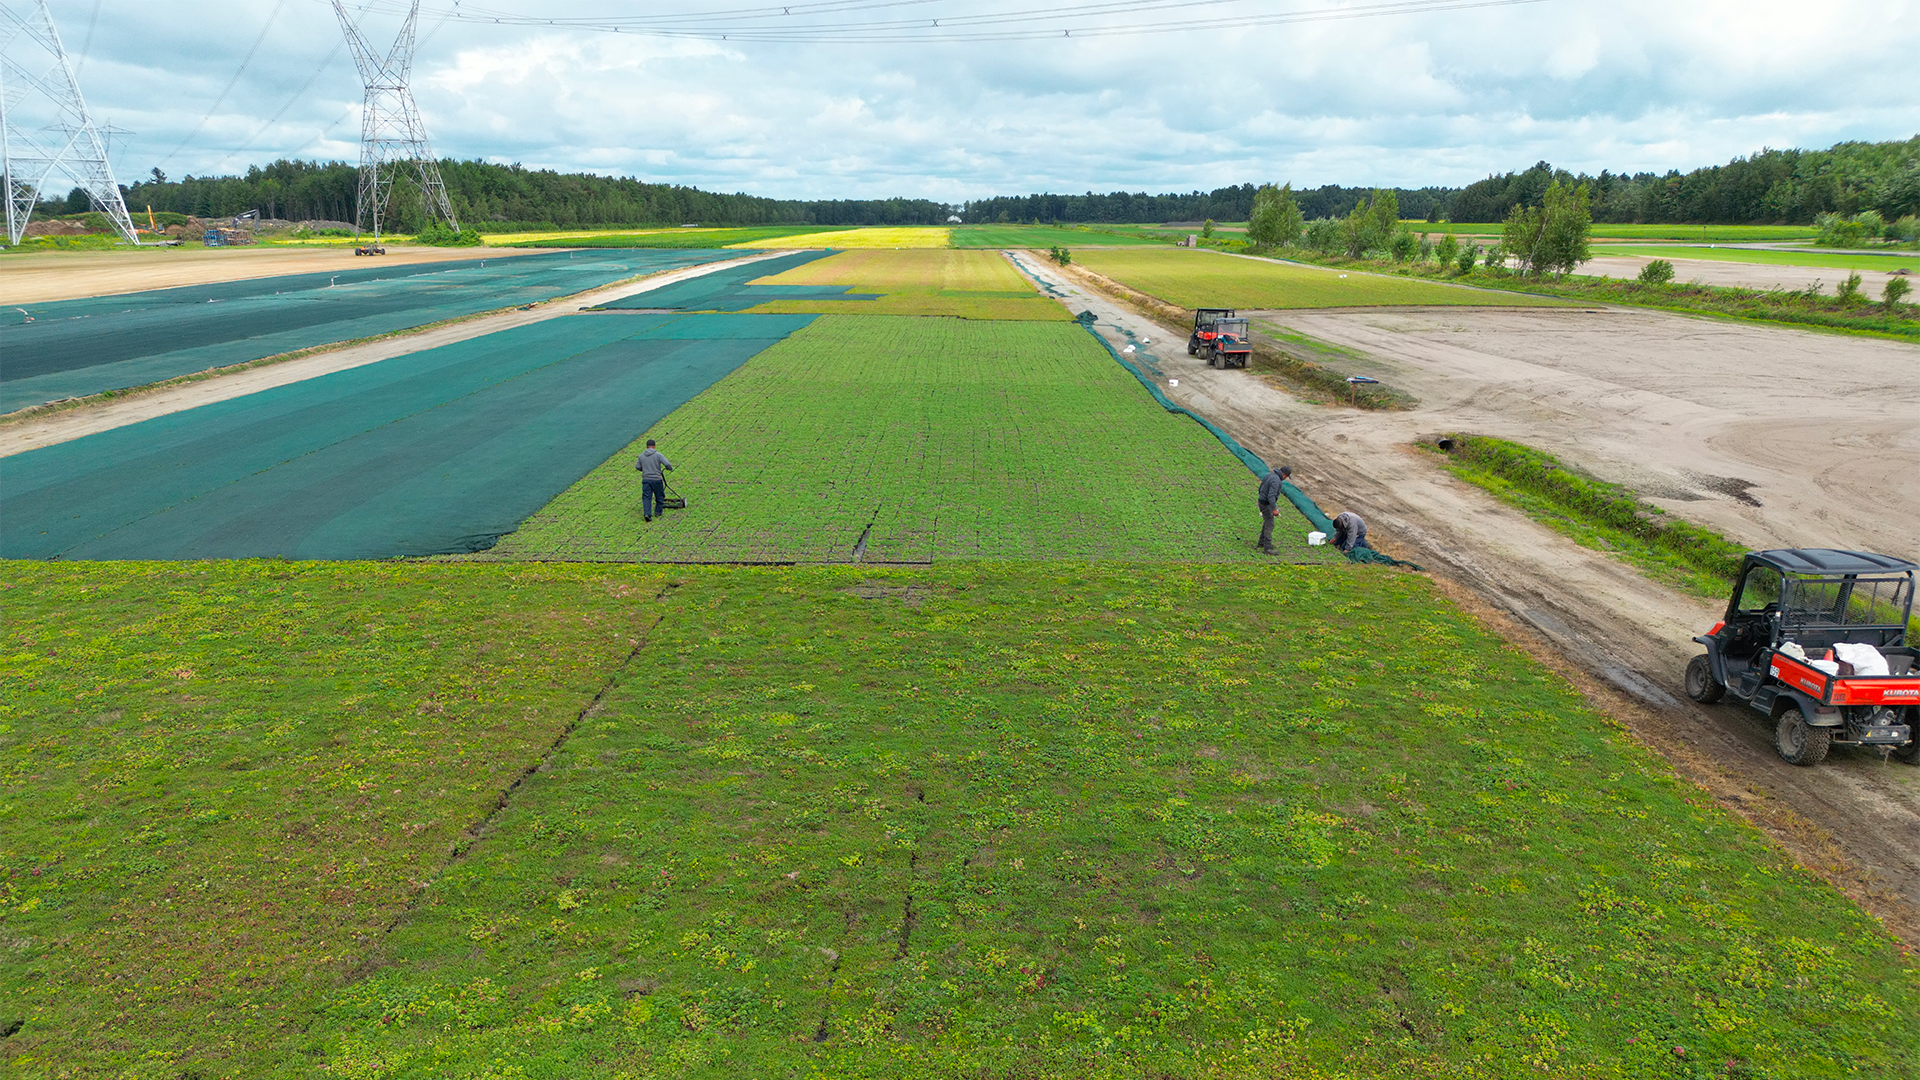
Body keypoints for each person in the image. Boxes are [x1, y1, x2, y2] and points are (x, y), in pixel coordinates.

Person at [1256, 465, 1292, 553]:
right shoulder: (1276, 481)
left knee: (1267, 521)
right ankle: (1267, 548)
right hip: (1266, 504)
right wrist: (1274, 508)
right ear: (1284, 474)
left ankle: (1261, 543)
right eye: (1286, 477)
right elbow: (1271, 496)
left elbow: (1260, 489)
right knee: (1270, 524)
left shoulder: (1269, 476)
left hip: (1261, 501)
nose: (1285, 478)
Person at [635, 438, 673, 522]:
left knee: (646, 497)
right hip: (656, 479)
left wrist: (644, 469)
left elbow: (637, 466)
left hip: (646, 479)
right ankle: (658, 512)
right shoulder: (658, 455)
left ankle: (647, 514)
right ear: (654, 446)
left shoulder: (641, 456)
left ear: (647, 447)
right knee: (659, 496)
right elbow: (667, 464)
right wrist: (669, 468)